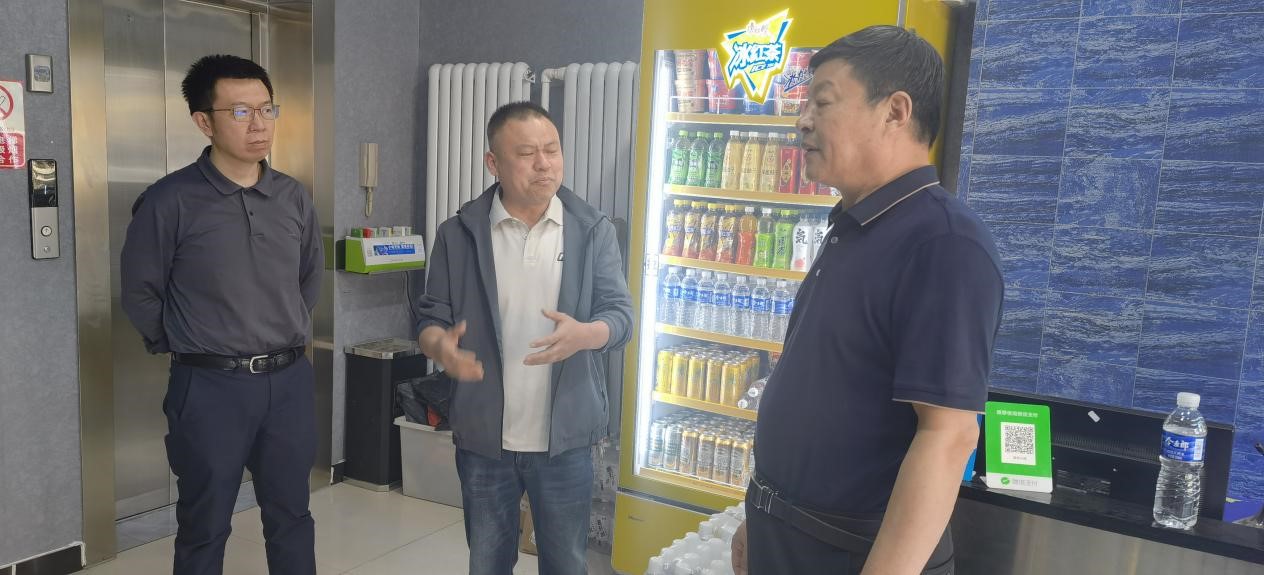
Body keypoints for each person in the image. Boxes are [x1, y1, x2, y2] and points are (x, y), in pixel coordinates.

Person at [731, 26, 1004, 575]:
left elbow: (948, 435)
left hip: (852, 555)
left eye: (823, 102)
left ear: (895, 112)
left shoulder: (943, 243)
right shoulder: (855, 225)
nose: (803, 120)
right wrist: (760, 515)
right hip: (789, 536)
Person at [121, 54, 322, 575]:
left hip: (289, 382)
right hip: (209, 387)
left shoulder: (293, 197)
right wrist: (189, 343)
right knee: (204, 524)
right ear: (203, 122)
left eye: (267, 109)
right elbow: (141, 292)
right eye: (239, 112)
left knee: (292, 515)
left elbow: (307, 279)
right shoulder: (169, 200)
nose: (259, 125)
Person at [414, 101, 633, 575]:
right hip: (485, 440)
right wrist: (439, 348)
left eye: (552, 150)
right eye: (527, 153)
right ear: (493, 163)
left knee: (567, 564)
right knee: (487, 562)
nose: (544, 164)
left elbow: (621, 317)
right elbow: (431, 318)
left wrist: (586, 335)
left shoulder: (592, 230)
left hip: (566, 440)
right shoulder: (458, 234)